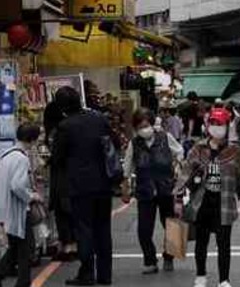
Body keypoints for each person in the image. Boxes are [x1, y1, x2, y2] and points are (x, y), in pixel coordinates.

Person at [53, 86, 118, 286]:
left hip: (80, 186)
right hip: (104, 184)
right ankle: (105, 275)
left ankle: (87, 273)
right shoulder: (98, 118)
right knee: (103, 228)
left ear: (62, 107)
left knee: (84, 229)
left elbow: (57, 158)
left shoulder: (65, 126)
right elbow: (113, 143)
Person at [183, 108, 240, 287]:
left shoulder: (234, 151)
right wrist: (178, 196)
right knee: (201, 242)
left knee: (224, 244)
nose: (216, 127)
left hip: (225, 203)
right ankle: (201, 275)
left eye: (220, 124)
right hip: (202, 202)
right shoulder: (198, 148)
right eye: (212, 123)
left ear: (227, 126)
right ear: (207, 125)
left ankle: (224, 280)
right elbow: (185, 173)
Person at [122, 109, 184, 274]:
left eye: (146, 125)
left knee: (171, 225)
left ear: (152, 124)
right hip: (145, 191)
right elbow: (127, 167)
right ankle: (150, 261)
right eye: (140, 126)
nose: (144, 129)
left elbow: (179, 151)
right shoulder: (134, 144)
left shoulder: (165, 137)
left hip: (166, 188)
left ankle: (169, 257)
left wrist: (177, 165)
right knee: (144, 229)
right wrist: (125, 188)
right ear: (136, 128)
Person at [0, 123, 43, 287]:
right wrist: (31, 196)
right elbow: (17, 185)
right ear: (32, 140)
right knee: (27, 248)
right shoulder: (21, 159)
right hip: (17, 210)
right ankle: (19, 281)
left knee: (17, 247)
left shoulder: (6, 155)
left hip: (3, 208)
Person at [44, 93, 76, 261]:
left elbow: (56, 156)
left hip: (61, 178)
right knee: (71, 212)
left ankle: (68, 246)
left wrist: (47, 161)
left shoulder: (57, 132)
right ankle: (74, 245)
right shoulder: (72, 127)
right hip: (74, 177)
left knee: (62, 212)